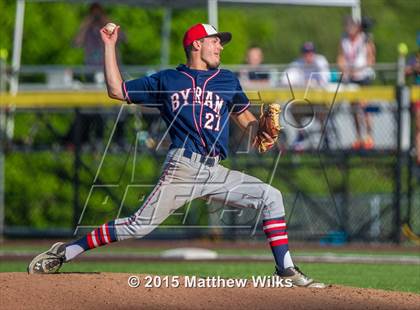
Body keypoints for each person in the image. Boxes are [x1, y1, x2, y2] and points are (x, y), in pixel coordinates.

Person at [27, 23, 325, 288]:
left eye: (220, 42)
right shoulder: (168, 80)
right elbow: (117, 90)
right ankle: (67, 251)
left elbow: (245, 119)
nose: (220, 46)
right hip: (183, 167)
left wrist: (262, 129)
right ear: (196, 44)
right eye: (215, 41)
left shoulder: (227, 81)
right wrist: (109, 46)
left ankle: (285, 269)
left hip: (216, 171)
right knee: (137, 227)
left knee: (271, 196)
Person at [282, 42, 330, 151]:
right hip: (304, 103)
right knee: (291, 110)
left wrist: (307, 83)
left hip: (318, 102)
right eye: (306, 53)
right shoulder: (297, 64)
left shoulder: (320, 61)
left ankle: (326, 135)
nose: (308, 55)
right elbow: (285, 80)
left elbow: (324, 80)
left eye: (310, 52)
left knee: (322, 110)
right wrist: (305, 83)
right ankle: (302, 133)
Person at [337, 16, 376, 150]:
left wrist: (360, 68)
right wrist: (344, 70)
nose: (349, 29)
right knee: (354, 108)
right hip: (350, 77)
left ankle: (369, 137)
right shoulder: (344, 40)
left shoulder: (365, 39)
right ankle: (359, 137)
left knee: (365, 107)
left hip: (363, 76)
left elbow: (371, 58)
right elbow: (341, 58)